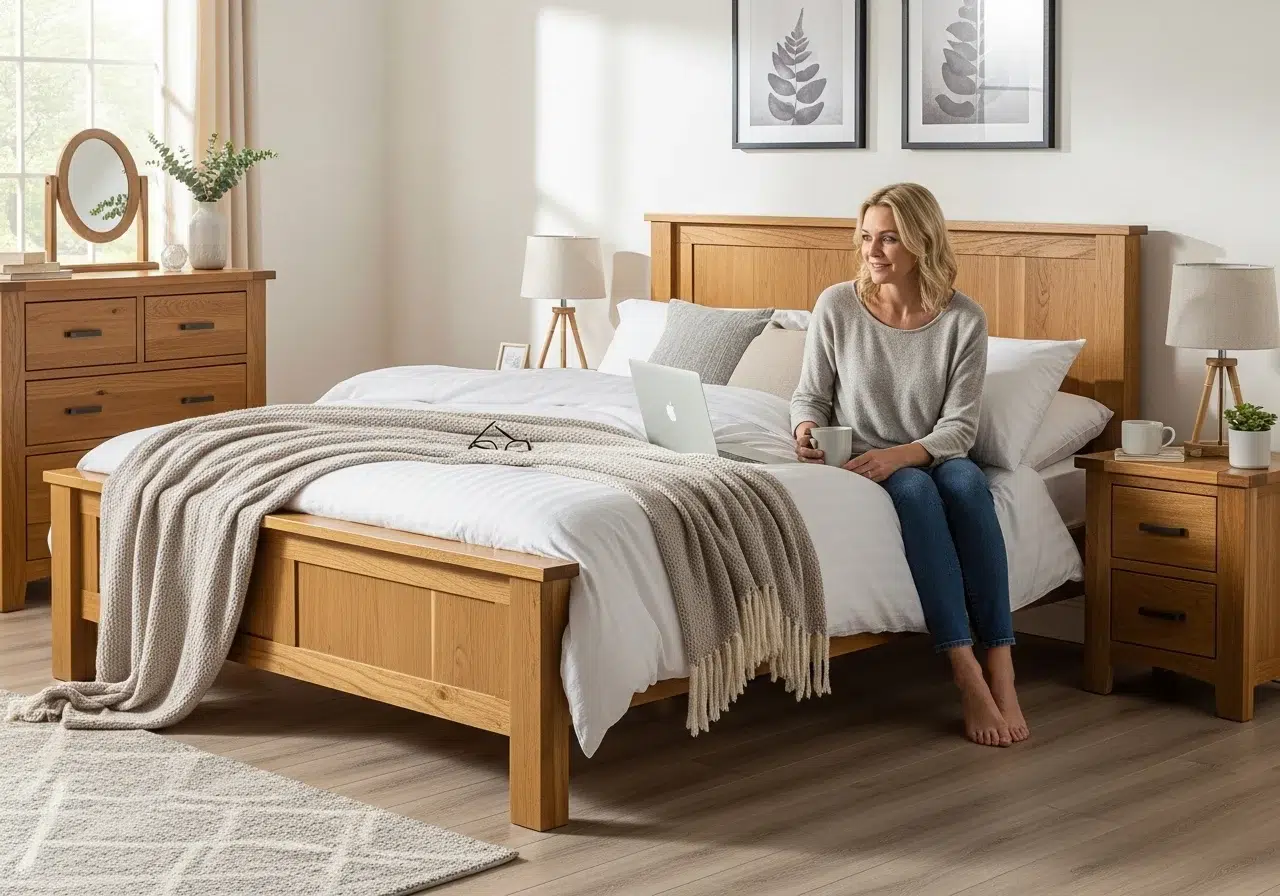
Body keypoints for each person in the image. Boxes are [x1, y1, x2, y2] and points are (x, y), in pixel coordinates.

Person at [790, 182, 1027, 747]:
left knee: (969, 485)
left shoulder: (963, 319)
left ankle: (1003, 667)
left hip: (932, 452)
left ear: (922, 241)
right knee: (917, 495)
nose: (873, 251)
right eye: (867, 237)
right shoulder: (837, 305)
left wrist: (900, 454)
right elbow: (809, 396)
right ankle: (965, 672)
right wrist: (803, 429)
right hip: (872, 460)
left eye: (890, 239)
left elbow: (961, 428)